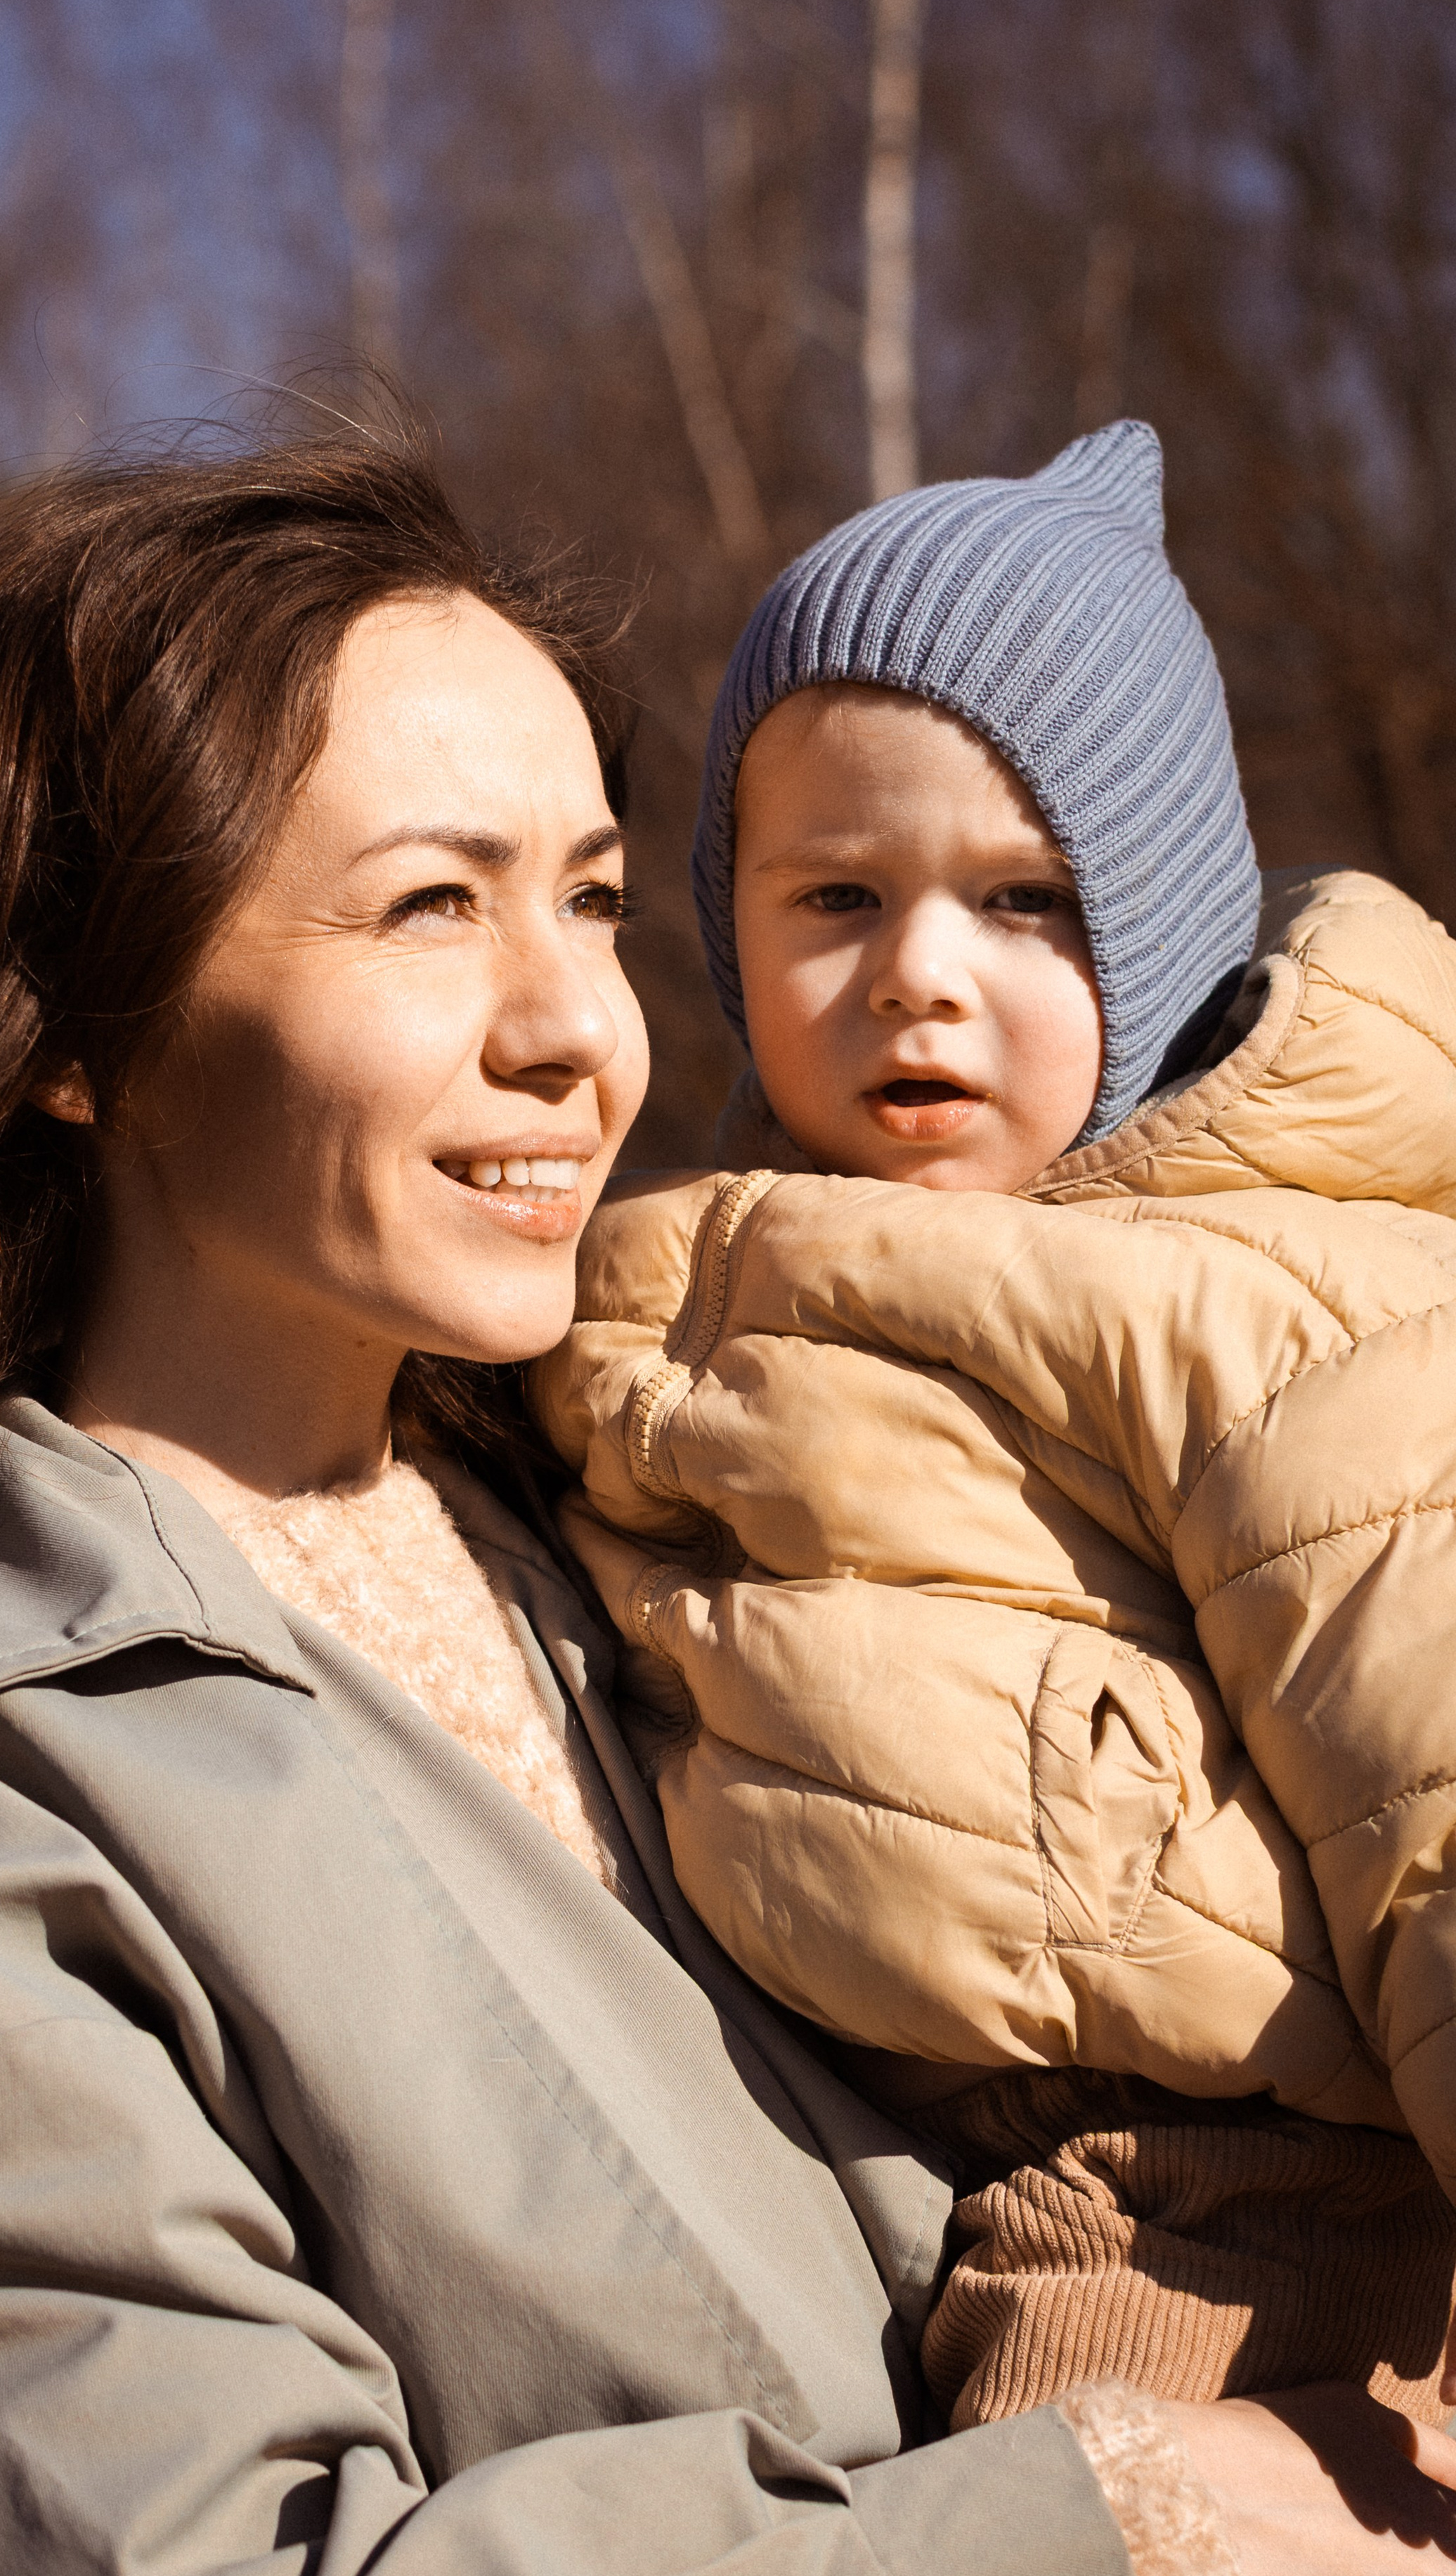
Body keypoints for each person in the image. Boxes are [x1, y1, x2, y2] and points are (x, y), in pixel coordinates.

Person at [0, 428, 1450, 2576]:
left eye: (592, 901)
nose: (579, 1029)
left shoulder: (643, 1520)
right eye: (435, 904)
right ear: (83, 1029)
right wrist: (1129, 2553)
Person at [535, 420, 1456, 2432]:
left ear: (1167, 924)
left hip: (1217, 2192)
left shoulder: (1267, 1297)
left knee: (1081, 2537)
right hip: (862, 2151)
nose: (917, 979)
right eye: (836, 896)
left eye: (1025, 900)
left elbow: (1431, 1775)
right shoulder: (686, 1278)